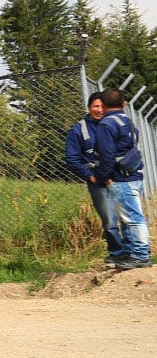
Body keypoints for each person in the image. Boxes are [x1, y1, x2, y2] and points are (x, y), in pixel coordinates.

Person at [92, 88, 151, 270]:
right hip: (133, 173)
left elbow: (107, 156)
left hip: (121, 178)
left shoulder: (106, 124)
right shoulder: (127, 121)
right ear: (124, 104)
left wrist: (104, 177)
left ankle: (141, 255)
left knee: (132, 217)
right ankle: (129, 252)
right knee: (127, 217)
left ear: (104, 105)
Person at [66, 92, 125, 268]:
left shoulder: (115, 124)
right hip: (97, 181)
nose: (99, 110)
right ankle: (117, 254)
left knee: (127, 216)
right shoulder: (78, 130)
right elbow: (72, 159)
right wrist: (90, 176)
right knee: (109, 220)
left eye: (102, 106)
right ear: (89, 108)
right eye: (95, 106)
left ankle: (133, 253)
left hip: (119, 178)